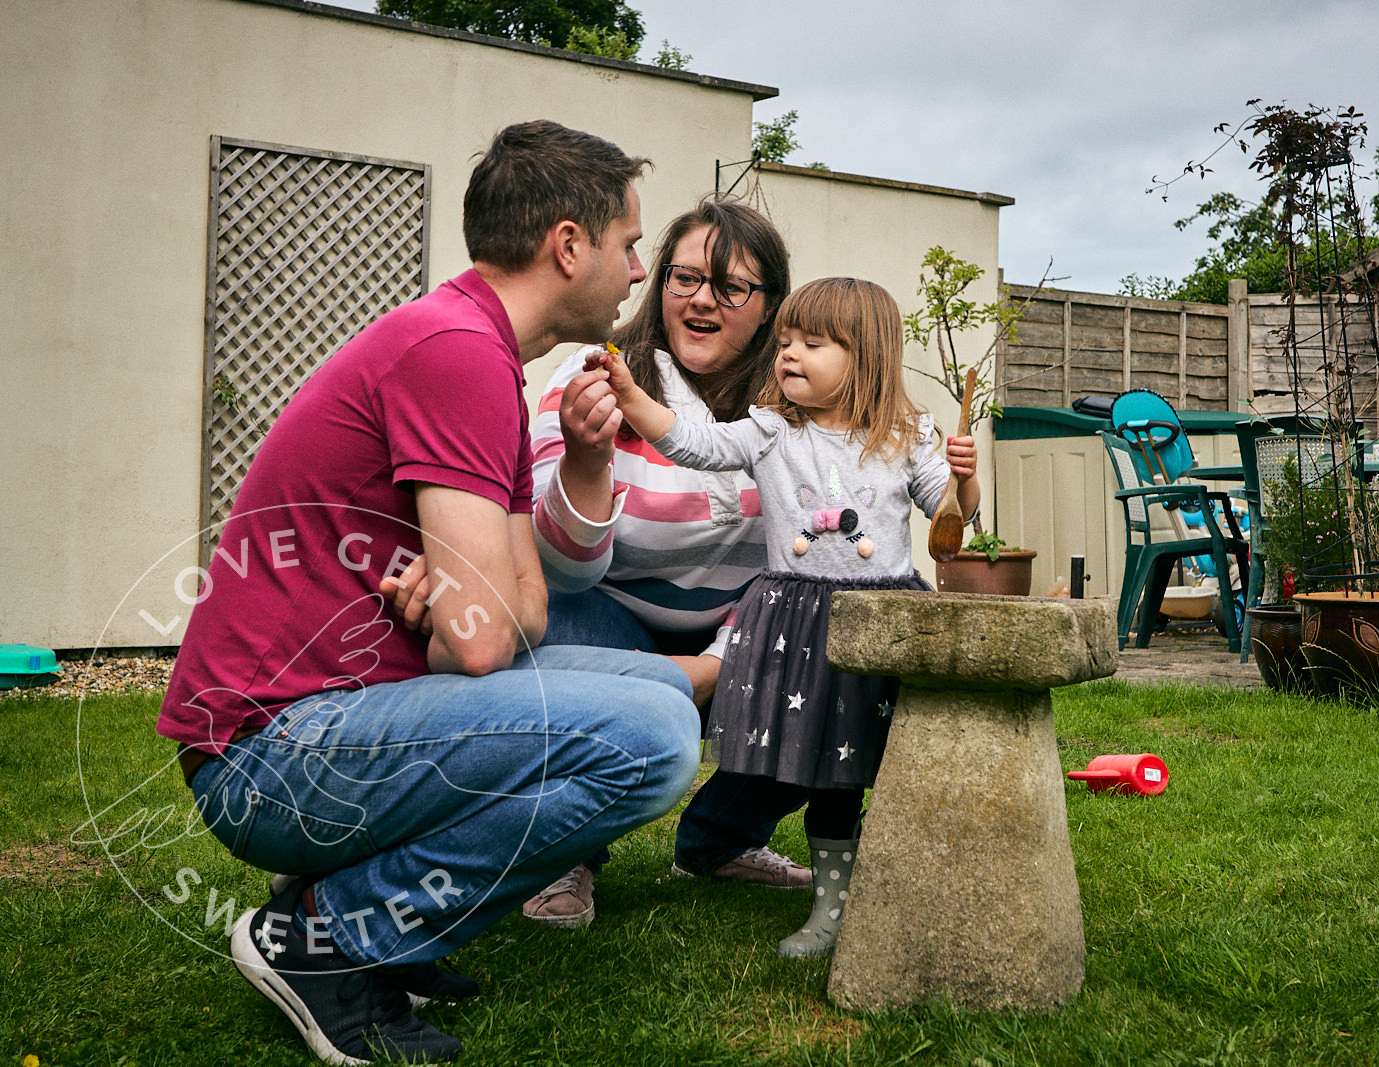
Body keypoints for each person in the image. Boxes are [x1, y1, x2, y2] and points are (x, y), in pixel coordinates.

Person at [156, 121, 701, 1065]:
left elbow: (519, 611)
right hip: (269, 758)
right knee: (654, 742)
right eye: (628, 243)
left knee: (653, 693)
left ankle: (379, 929)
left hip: (333, 723)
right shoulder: (453, 351)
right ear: (567, 245)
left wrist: (468, 602)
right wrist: (467, 607)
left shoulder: (480, 354)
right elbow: (487, 640)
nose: (640, 267)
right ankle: (329, 940)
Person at [588, 276, 980, 957]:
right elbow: (691, 444)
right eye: (786, 341)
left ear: (866, 357)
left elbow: (951, 517)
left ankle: (871, 895)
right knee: (822, 769)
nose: (789, 354)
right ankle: (829, 908)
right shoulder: (772, 429)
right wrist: (631, 398)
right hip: (799, 628)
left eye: (813, 342)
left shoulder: (905, 433)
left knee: (873, 769)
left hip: (880, 625)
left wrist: (967, 475)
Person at [519, 201, 812, 929]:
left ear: (771, 307)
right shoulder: (596, 374)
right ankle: (566, 847)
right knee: (556, 627)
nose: (702, 299)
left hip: (739, 634)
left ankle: (721, 840)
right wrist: (588, 461)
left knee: (834, 633)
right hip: (600, 615)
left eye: (731, 286)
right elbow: (555, 562)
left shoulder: (796, 409)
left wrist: (717, 662)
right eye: (685, 277)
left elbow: (808, 558)